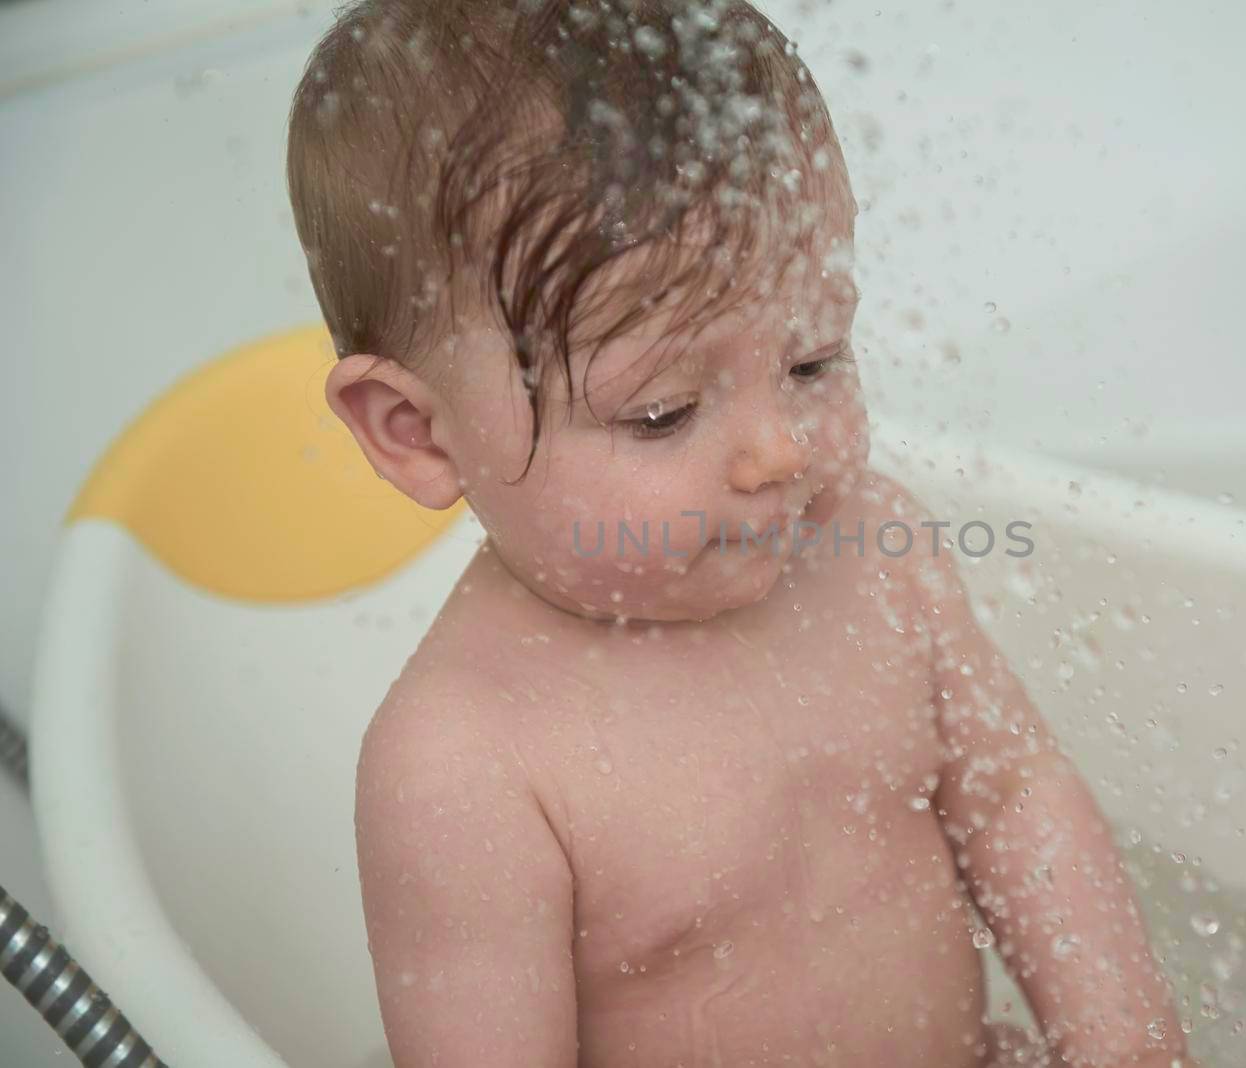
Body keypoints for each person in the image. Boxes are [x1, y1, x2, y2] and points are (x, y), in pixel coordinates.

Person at [287, 1, 1193, 1064]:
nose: (779, 453)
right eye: (661, 413)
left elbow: (1012, 799)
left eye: (813, 361)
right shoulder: (464, 764)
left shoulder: (872, 551)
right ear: (419, 434)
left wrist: (1126, 1044)